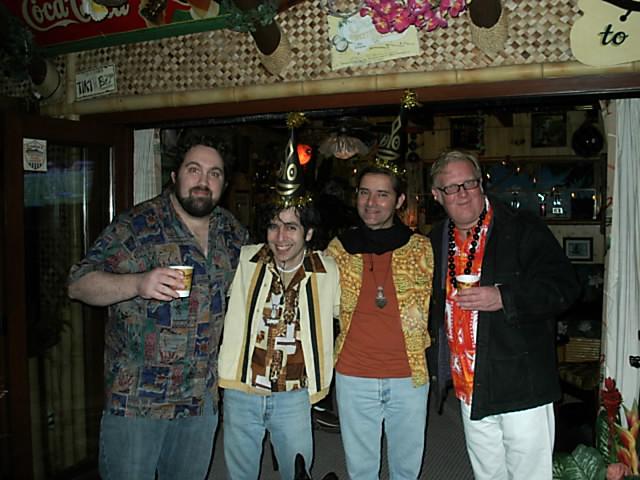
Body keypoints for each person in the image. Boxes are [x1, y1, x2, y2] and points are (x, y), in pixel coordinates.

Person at [67, 136, 248, 480]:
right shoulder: (138, 225)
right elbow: (78, 284)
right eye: (194, 170)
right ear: (175, 175)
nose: (203, 181)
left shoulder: (232, 233)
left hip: (200, 401)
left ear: (224, 184)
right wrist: (137, 284)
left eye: (214, 173)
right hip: (137, 401)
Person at [428, 150, 581, 480]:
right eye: (451, 188)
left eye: (469, 183)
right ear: (437, 195)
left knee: (529, 475)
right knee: (488, 474)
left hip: (520, 381)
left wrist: (504, 297)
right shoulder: (436, 239)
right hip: (469, 384)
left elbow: (565, 287)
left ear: (481, 184)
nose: (462, 193)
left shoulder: (522, 228)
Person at [217, 115, 341, 480]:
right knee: (240, 474)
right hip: (242, 389)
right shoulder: (244, 261)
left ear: (309, 233)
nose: (281, 236)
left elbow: (352, 318)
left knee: (297, 471)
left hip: (294, 394)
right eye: (274, 225)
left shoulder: (328, 270)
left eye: (291, 227)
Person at [326, 163, 434, 479]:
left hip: (408, 375)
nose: (371, 203)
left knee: (406, 469)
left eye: (382, 194)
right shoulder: (338, 249)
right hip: (354, 373)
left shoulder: (421, 248)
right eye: (364, 193)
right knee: (361, 469)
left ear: (399, 201)